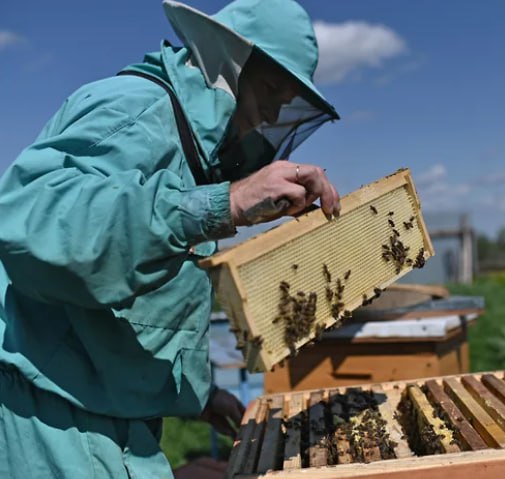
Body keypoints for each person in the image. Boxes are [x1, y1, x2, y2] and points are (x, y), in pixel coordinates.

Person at [0, 0, 340, 477]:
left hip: (105, 412)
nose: (268, 119)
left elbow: (131, 305)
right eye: (269, 91)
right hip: (51, 414)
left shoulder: (189, 151)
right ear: (225, 61)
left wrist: (197, 397)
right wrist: (226, 203)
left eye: (285, 105)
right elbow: (29, 223)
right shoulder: (134, 108)